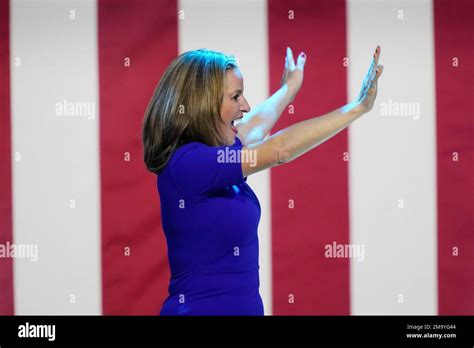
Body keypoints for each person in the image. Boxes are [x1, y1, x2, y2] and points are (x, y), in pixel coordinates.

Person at [142, 46, 383, 315]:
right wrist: (357, 108)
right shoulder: (188, 164)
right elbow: (278, 149)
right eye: (235, 97)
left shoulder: (215, 157)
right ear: (203, 105)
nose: (245, 106)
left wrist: (289, 89)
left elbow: (254, 127)